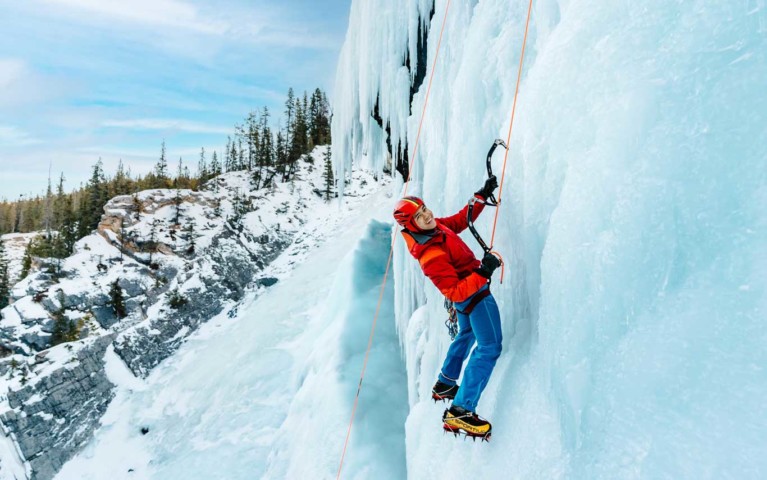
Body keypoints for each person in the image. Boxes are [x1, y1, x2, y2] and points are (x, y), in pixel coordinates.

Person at [392, 176, 502, 439]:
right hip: (473, 295)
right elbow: (452, 292)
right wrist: (484, 272)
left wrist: (480, 197)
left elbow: (459, 221)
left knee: (467, 334)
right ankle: (461, 412)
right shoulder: (430, 256)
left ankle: (445, 383)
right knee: (490, 347)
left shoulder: (435, 228)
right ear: (411, 225)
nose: (427, 215)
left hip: (467, 295)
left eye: (425, 208)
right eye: (419, 215)